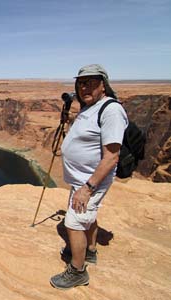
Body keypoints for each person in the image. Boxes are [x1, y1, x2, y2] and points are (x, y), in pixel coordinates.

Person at [50, 64, 128, 290]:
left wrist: (88, 188)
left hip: (91, 181)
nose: (85, 87)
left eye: (92, 82)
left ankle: (77, 271)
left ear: (104, 85)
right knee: (88, 218)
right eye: (82, 83)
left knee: (73, 222)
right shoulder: (89, 107)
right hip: (80, 179)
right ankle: (90, 251)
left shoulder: (111, 110)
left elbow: (112, 156)